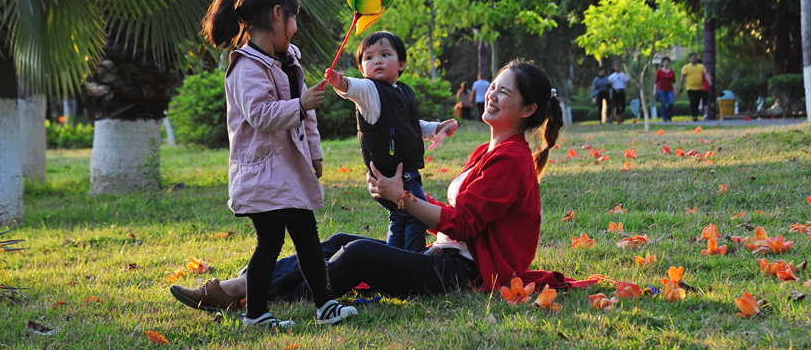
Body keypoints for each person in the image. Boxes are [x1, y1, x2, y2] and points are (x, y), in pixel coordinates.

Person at [170, 60, 595, 312]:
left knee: (358, 254)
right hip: (443, 258)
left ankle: (265, 295)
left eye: (505, 93)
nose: (492, 96)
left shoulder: (512, 161)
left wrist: (403, 199)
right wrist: (402, 197)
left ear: (529, 109)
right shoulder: (491, 152)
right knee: (338, 238)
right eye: (493, 88)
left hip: (462, 273)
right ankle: (248, 286)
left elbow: (462, 225)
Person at [188, 0, 356, 329]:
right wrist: (301, 103)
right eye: (294, 20)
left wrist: (315, 153)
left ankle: (325, 304)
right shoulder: (245, 66)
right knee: (270, 242)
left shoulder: (290, 60)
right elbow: (260, 115)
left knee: (308, 237)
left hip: (291, 168)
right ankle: (255, 314)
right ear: (278, 15)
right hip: (263, 172)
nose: (295, 30)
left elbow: (306, 116)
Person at [324, 31, 458, 253]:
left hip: (406, 171)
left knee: (400, 217)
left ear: (401, 64)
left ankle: (392, 260)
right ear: (361, 69)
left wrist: (435, 128)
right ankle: (413, 260)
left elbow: (410, 124)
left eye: (385, 54)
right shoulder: (370, 90)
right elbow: (353, 88)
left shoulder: (403, 90)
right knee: (417, 214)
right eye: (368, 57)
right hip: (390, 176)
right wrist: (341, 83)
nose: (376, 60)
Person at [679, 52, 712, 121]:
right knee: (692, 101)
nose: (693, 59)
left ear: (696, 58)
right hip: (690, 88)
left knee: (697, 102)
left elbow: (706, 74)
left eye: (695, 57)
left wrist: (709, 81)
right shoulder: (686, 67)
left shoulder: (701, 66)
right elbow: (682, 77)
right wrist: (681, 86)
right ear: (689, 59)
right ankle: (694, 116)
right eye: (692, 57)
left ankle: (695, 115)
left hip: (699, 88)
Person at [653, 57, 676, 123]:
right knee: (663, 104)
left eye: (667, 62)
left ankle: (669, 115)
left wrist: (675, 90)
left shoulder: (672, 71)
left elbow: (674, 81)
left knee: (671, 102)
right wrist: (654, 90)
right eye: (665, 62)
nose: (666, 63)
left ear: (669, 63)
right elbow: (656, 82)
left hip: (669, 89)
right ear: (663, 63)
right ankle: (664, 117)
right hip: (661, 89)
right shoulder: (659, 71)